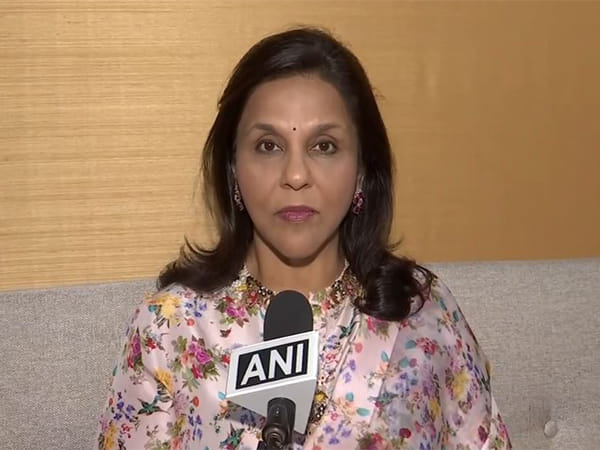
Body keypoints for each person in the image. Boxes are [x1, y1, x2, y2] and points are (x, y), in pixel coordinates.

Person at [97, 27, 511, 449]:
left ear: (362, 170)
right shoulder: (170, 327)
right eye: (269, 146)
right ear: (233, 170)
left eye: (324, 146)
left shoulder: (422, 311)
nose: (295, 176)